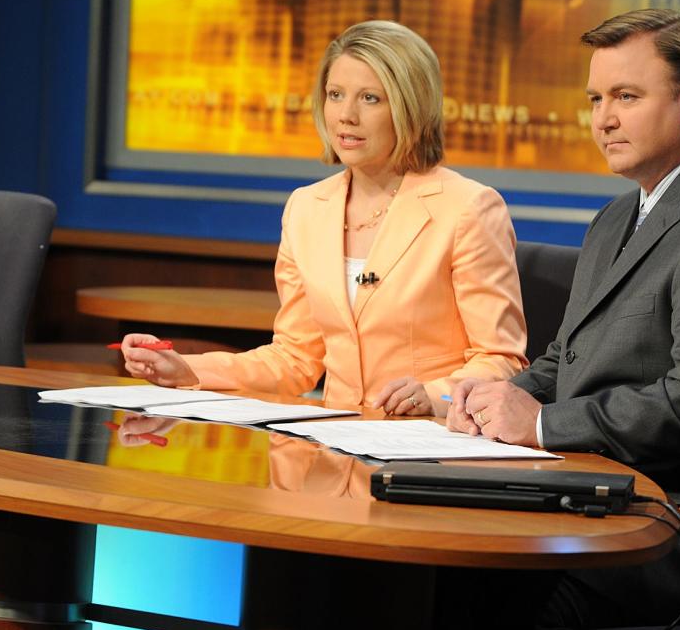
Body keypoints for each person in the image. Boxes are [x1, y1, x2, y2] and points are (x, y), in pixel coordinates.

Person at [448, 8, 680, 629]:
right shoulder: (616, 216)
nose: (603, 119)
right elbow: (566, 359)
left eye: (626, 96)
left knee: (489, 586)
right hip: (603, 484)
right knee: (445, 546)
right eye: (595, 98)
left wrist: (541, 426)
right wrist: (493, 398)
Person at [122, 20, 526, 414]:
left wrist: (436, 395)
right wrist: (188, 369)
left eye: (370, 98)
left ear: (411, 107)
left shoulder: (468, 208)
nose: (346, 115)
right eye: (335, 95)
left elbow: (500, 359)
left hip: (430, 447)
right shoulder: (306, 208)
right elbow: (294, 359)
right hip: (335, 447)